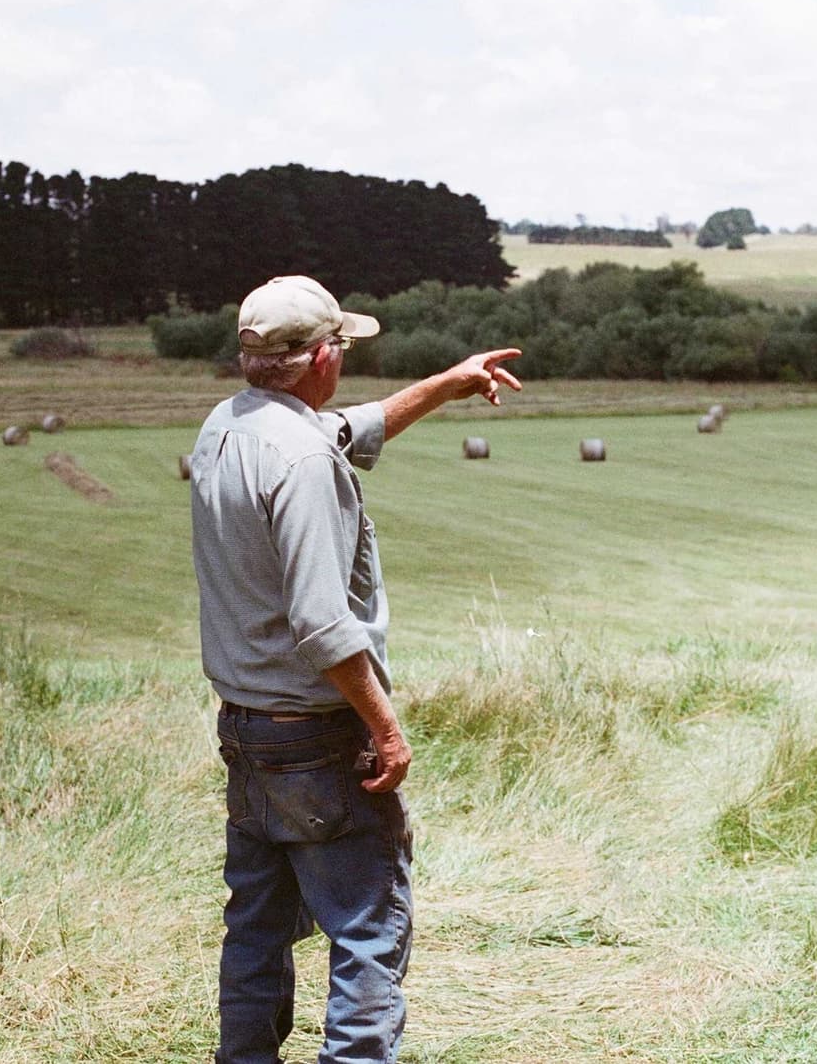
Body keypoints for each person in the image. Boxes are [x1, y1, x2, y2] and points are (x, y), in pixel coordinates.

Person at [189, 274, 521, 1064]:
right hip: (316, 736)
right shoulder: (302, 458)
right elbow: (322, 622)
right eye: (340, 343)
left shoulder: (227, 426)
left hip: (246, 728)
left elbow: (351, 428)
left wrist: (448, 383)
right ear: (320, 357)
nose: (344, 356)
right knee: (369, 933)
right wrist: (385, 724)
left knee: (256, 930)